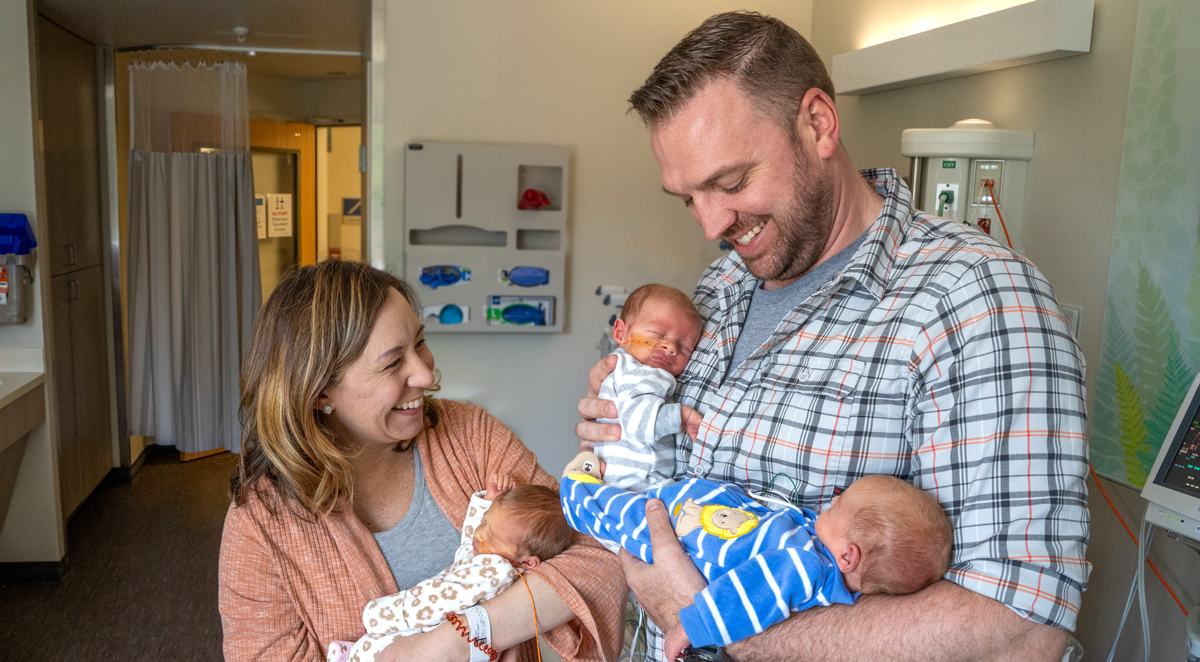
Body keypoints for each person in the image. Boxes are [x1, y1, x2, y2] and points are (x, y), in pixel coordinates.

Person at [576, 11, 1089, 662]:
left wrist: (718, 623)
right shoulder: (719, 289)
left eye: (730, 183)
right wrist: (621, 410)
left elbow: (1019, 627)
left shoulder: (973, 303)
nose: (710, 224)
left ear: (817, 124)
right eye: (688, 198)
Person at [219, 260, 624, 662]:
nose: (425, 375)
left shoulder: (470, 436)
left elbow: (596, 554)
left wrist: (452, 641)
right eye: (393, 362)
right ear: (320, 391)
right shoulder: (260, 525)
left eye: (419, 342)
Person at [560, 452, 951, 655]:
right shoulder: (823, 551)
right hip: (706, 517)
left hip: (693, 542)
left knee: (618, 518)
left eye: (838, 506)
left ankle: (576, 493)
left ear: (848, 557)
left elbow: (748, 596)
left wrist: (692, 625)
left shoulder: (806, 566)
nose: (828, 504)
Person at [328, 475, 576, 662]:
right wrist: (486, 503)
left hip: (439, 625)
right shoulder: (493, 556)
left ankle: (357, 654)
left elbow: (436, 602)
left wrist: (381, 616)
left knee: (399, 646)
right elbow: (468, 545)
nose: (479, 534)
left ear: (527, 562)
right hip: (445, 628)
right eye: (484, 522)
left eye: (491, 534)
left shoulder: (498, 570)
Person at [594, 284, 704, 494]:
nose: (670, 348)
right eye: (657, 334)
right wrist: (681, 415)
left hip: (628, 484)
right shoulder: (641, 371)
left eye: (684, 347)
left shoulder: (626, 369)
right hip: (639, 485)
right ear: (620, 333)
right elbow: (637, 421)